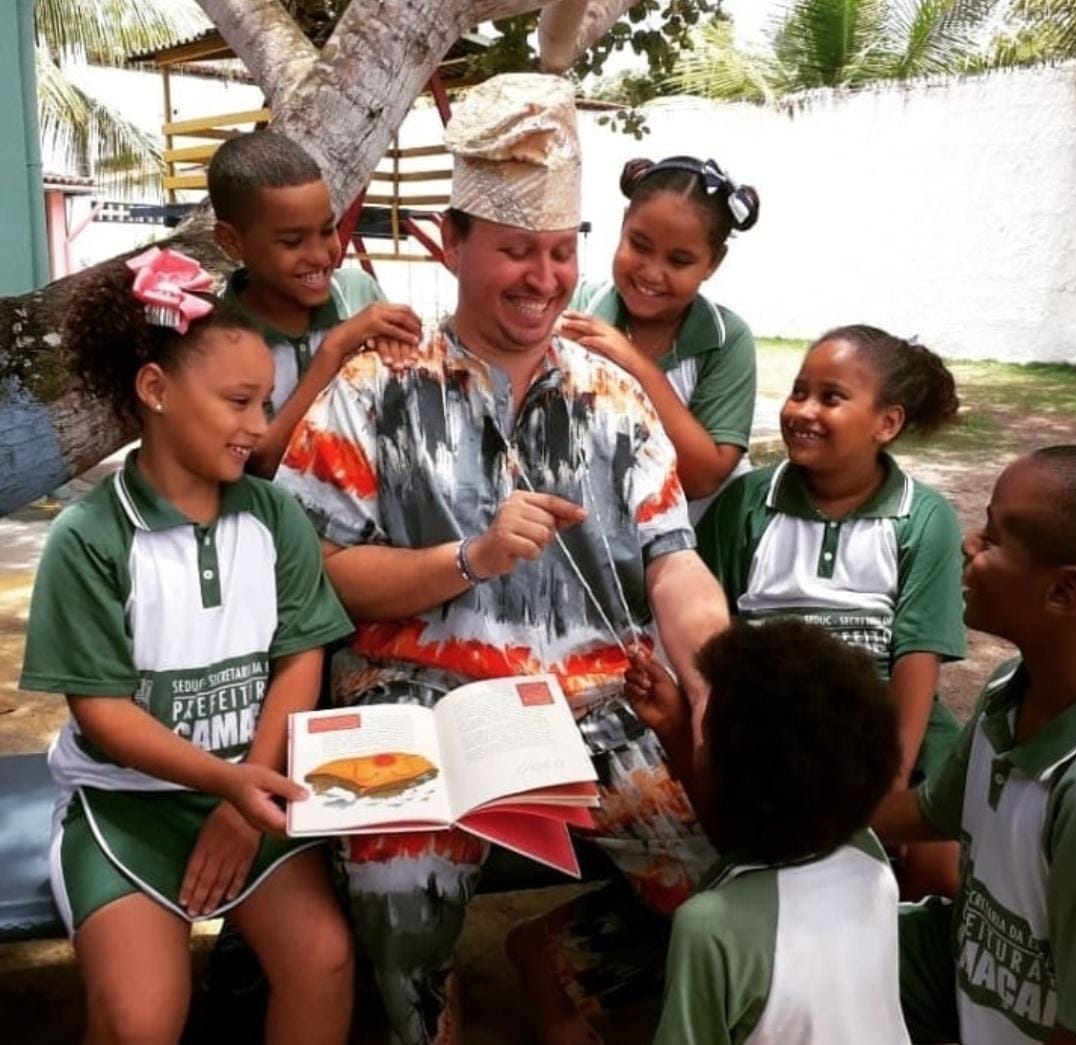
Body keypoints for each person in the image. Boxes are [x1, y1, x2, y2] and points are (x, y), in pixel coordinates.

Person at [276, 73, 729, 1045]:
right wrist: (466, 557)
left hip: (598, 710)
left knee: (721, 886)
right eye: (516, 251)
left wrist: (717, 677)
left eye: (561, 253)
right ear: (456, 241)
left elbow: (672, 561)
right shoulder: (374, 385)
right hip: (410, 713)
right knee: (399, 923)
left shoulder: (609, 390)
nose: (544, 278)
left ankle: (556, 955)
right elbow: (317, 568)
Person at [19, 247, 356, 1044]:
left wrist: (247, 798)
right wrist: (227, 783)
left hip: (251, 787)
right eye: (239, 400)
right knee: (139, 1017)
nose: (261, 426)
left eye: (267, 401)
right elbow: (102, 714)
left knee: (326, 959)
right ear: (155, 390)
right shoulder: (90, 538)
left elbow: (299, 656)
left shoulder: (274, 519)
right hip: (124, 809)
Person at [696, 324, 966, 899]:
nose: (803, 411)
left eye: (831, 397)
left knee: (939, 871)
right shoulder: (747, 504)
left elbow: (918, 659)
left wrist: (890, 786)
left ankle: (902, 977)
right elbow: (711, 632)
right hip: (778, 734)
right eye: (799, 391)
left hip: (893, 734)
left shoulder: (924, 517)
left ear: (886, 424)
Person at [875, 447, 1076, 1045]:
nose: (969, 543)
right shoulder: (1006, 693)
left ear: (1063, 593)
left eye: (991, 538)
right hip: (966, 992)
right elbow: (930, 811)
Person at [625, 619, 908, 1045]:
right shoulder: (868, 857)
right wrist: (676, 728)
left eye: (709, 725)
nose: (701, 736)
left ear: (739, 772)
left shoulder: (708, 926)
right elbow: (765, 848)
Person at [208, 129, 422, 476]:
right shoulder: (216, 339)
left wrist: (401, 340)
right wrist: (333, 351)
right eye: (293, 242)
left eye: (327, 230)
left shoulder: (358, 293)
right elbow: (261, 462)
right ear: (232, 241)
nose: (322, 255)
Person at [561, 155, 760, 521]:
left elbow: (702, 477)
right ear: (622, 226)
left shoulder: (727, 341)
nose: (652, 272)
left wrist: (636, 365)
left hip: (701, 549)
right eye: (639, 245)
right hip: (603, 541)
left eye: (679, 261)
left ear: (713, 262)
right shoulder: (577, 309)